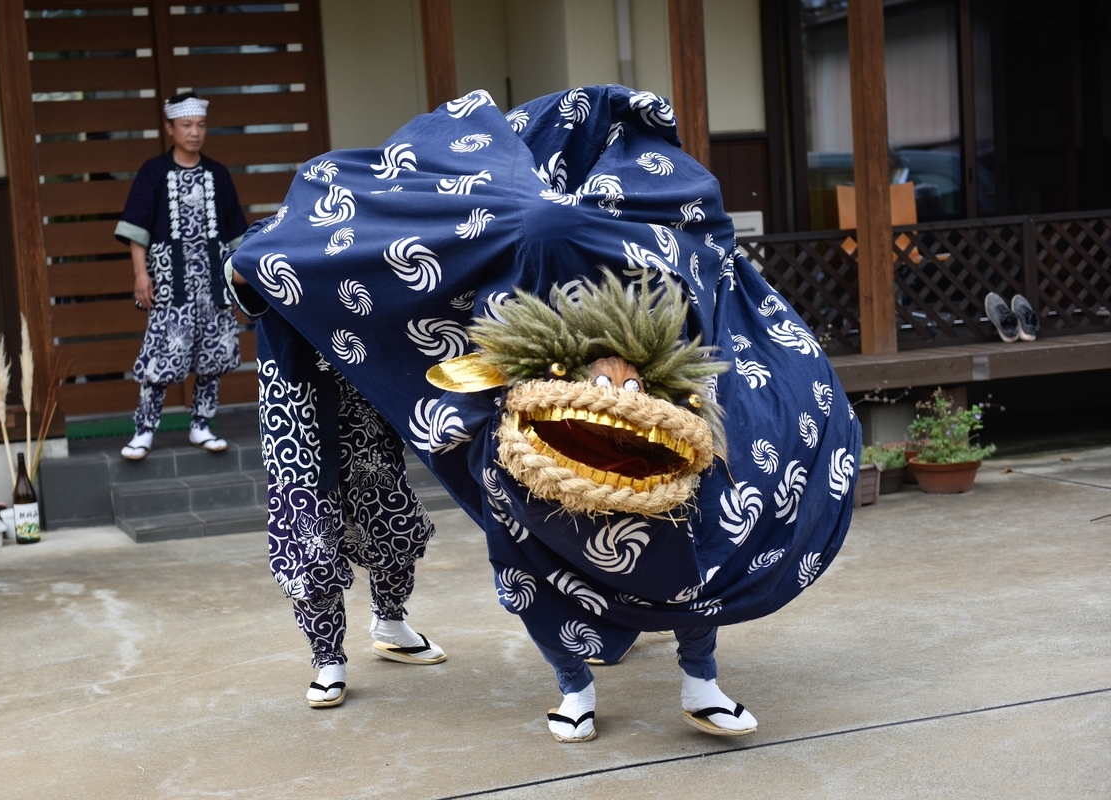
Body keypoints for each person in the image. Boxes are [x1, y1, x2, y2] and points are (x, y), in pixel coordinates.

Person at [226, 85, 859, 739]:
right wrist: (255, 267)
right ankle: (563, 684)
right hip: (503, 410)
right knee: (502, 543)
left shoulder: (596, 214)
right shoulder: (451, 221)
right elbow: (297, 266)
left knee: (682, 526)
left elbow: (700, 251)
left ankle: (699, 679)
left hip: (633, 397)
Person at [224, 226, 447, 709]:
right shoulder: (272, 235)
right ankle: (328, 658)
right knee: (312, 536)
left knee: (391, 516)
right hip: (296, 408)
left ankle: (389, 620)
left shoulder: (362, 231)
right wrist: (289, 252)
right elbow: (240, 272)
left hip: (361, 400)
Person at [113, 91, 248, 460]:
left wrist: (240, 276)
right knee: (162, 356)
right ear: (170, 128)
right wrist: (141, 275)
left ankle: (201, 425)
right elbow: (136, 230)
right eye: (186, 125)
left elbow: (236, 231)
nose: (194, 132)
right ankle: (143, 430)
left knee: (214, 356)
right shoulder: (153, 172)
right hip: (170, 283)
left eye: (200, 125)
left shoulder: (218, 174)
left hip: (214, 283)